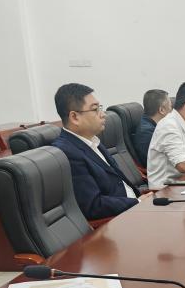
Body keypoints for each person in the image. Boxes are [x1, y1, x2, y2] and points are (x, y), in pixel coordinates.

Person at [51, 83, 139, 220]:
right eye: (95, 109)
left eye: (100, 108)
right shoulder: (67, 152)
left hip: (134, 208)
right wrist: (138, 203)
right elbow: (94, 205)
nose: (103, 115)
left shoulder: (92, 141)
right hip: (118, 220)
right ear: (74, 117)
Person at [134, 89, 171, 167]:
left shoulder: (156, 127)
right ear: (161, 110)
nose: (171, 111)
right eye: (170, 107)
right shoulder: (147, 133)